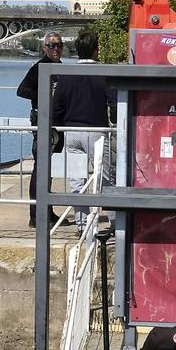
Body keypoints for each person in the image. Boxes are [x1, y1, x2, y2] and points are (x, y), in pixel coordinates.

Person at [51, 33, 114, 228]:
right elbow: (114, 102)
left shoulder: (67, 75)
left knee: (77, 180)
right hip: (96, 131)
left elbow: (56, 107)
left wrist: (60, 126)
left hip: (71, 132)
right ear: (96, 49)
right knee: (104, 178)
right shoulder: (104, 75)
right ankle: (114, 221)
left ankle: (81, 223)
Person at [17, 32, 64, 228]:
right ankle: (35, 215)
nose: (55, 49)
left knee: (48, 170)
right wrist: (43, 92)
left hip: (57, 123)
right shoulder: (38, 68)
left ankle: (47, 210)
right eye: (51, 45)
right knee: (40, 168)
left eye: (59, 45)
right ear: (44, 47)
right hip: (42, 122)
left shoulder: (60, 67)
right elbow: (21, 91)